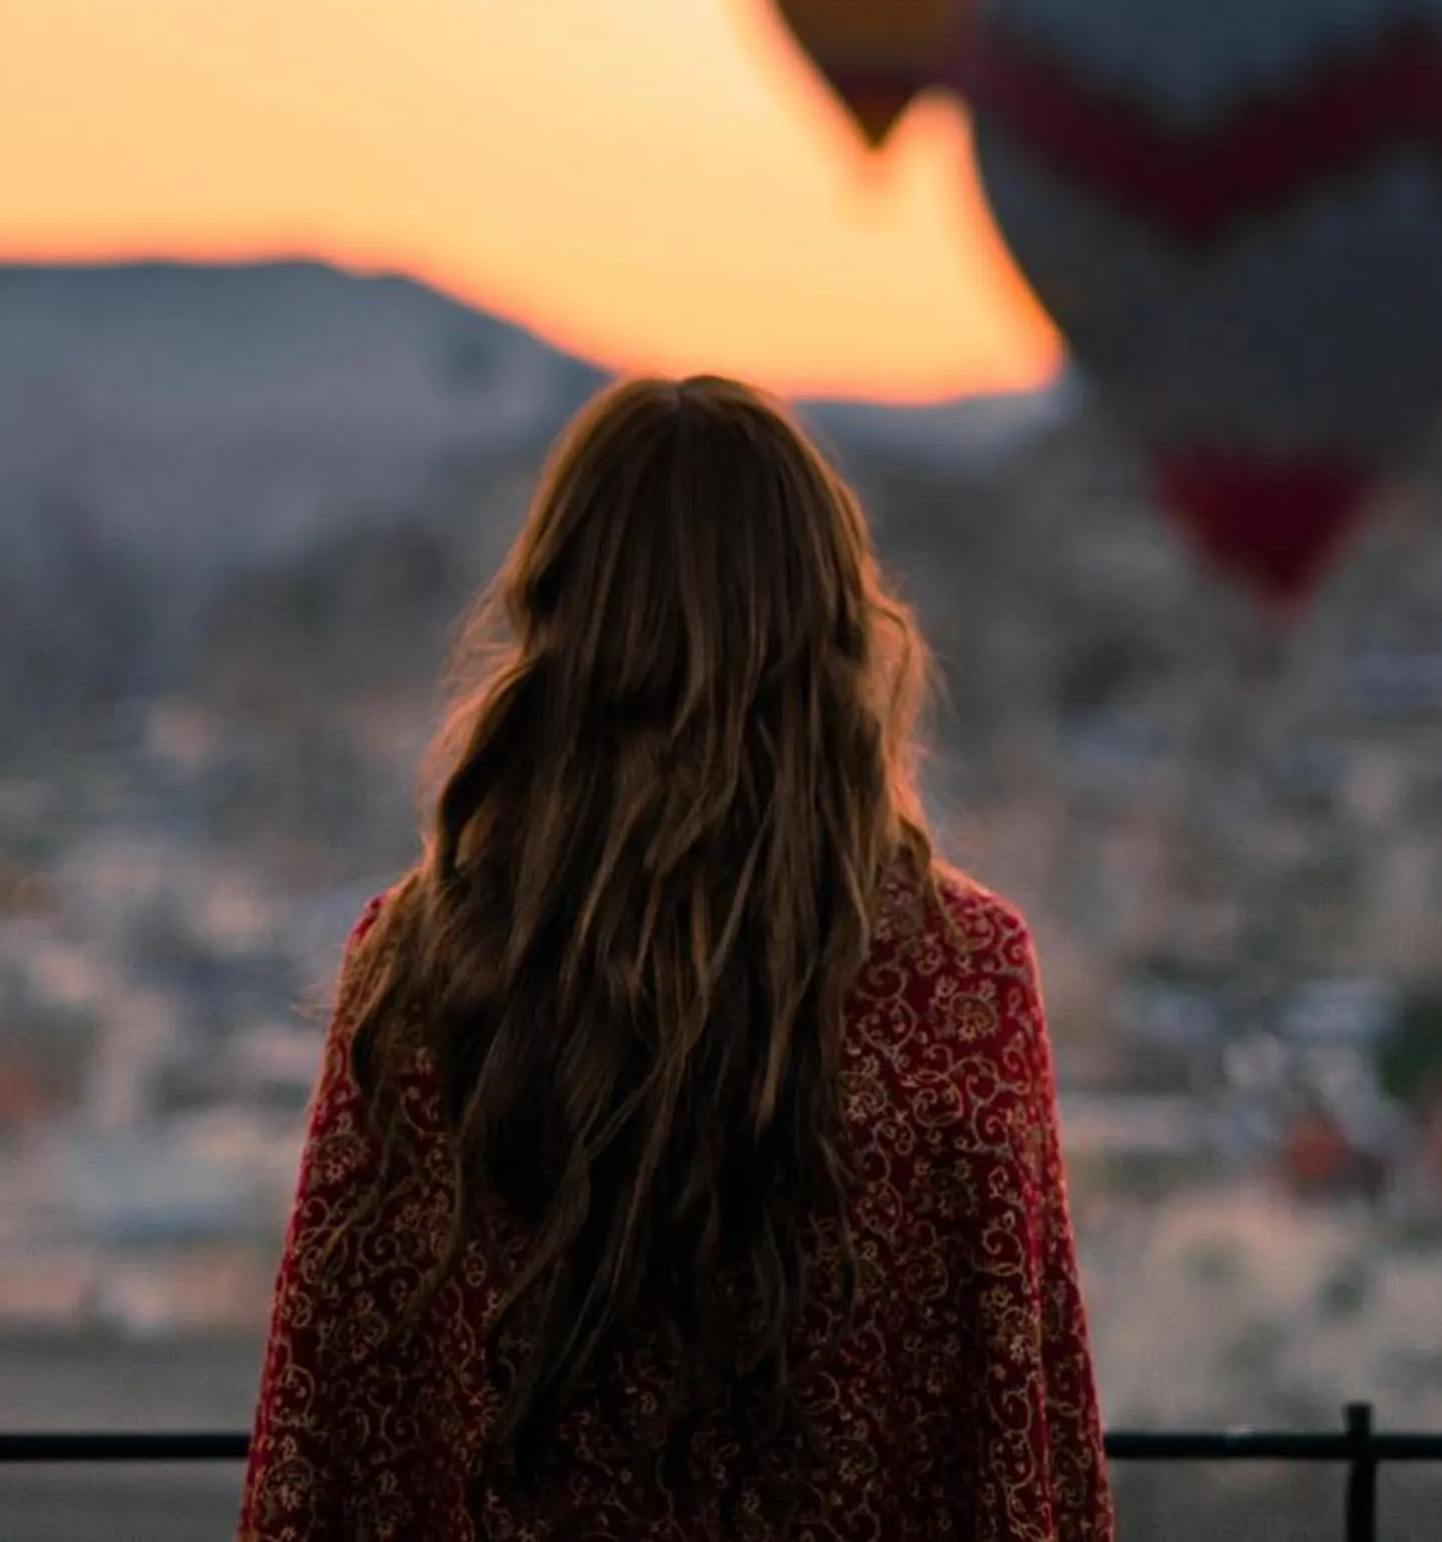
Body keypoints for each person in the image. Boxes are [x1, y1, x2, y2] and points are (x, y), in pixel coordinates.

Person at [239, 375, 1113, 1540]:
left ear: (559, 622)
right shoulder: (962, 975)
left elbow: (324, 1448)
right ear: (832, 630)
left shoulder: (420, 964)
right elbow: (1015, 1449)